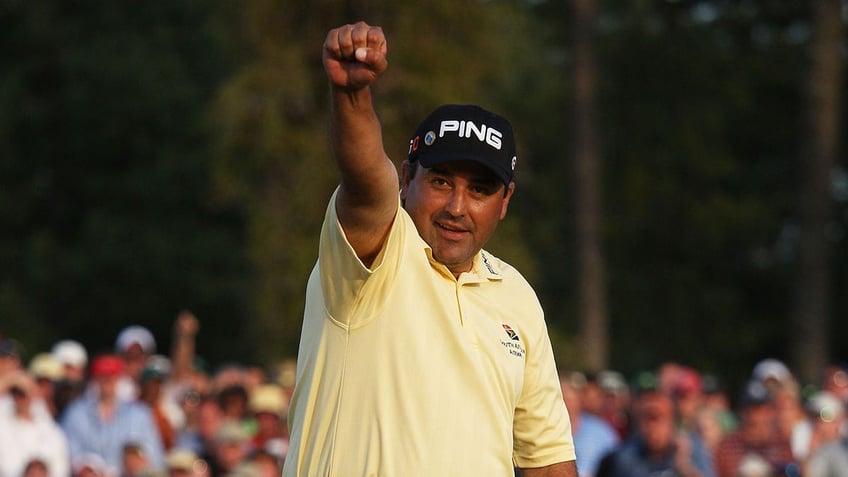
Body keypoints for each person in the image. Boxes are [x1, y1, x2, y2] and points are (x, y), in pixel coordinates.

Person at [282, 21, 576, 477]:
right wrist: (352, 96)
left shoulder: (516, 295)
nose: (457, 207)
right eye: (440, 182)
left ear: (505, 202)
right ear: (405, 181)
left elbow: (547, 458)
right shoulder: (376, 251)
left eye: (479, 190)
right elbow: (364, 181)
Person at [61, 354, 166, 475]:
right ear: (95, 378)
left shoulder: (139, 414)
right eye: (103, 376)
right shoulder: (76, 412)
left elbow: (155, 457)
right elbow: (70, 453)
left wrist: (138, 463)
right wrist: (87, 466)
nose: (107, 381)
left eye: (112, 376)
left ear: (119, 378)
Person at [596, 381, 715, 477]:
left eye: (658, 419)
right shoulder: (624, 457)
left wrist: (685, 467)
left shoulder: (693, 450)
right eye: (645, 420)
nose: (652, 428)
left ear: (672, 422)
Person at [0, 370, 69, 477]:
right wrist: (11, 380)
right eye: (15, 393)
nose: (19, 398)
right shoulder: (3, 423)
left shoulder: (50, 429)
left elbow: (61, 468)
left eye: (23, 394)